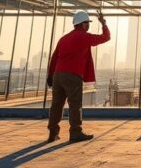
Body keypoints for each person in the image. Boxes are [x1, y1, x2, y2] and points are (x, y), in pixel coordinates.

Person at [46, 10, 111, 143]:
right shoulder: (84, 37)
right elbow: (105, 37)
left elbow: (54, 58)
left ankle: (53, 132)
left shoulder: (63, 39)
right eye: (87, 23)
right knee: (75, 104)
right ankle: (75, 132)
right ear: (82, 24)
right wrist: (103, 23)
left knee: (56, 104)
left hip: (58, 75)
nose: (88, 26)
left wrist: (50, 75)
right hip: (72, 75)